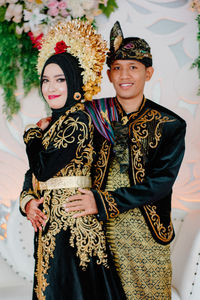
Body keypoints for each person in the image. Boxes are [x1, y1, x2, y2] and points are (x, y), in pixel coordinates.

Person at [64, 21, 187, 299]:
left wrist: (103, 202)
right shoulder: (92, 114)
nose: (124, 75)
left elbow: (160, 184)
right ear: (109, 75)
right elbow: (58, 154)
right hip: (97, 230)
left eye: (133, 67)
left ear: (149, 72)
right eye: (117, 68)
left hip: (145, 233)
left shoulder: (170, 124)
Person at [20, 20, 126, 300]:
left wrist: (30, 134)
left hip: (73, 229)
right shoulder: (53, 124)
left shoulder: (79, 120)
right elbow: (32, 175)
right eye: (45, 80)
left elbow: (43, 169)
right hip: (50, 229)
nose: (50, 88)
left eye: (60, 79)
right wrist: (28, 203)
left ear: (76, 82)